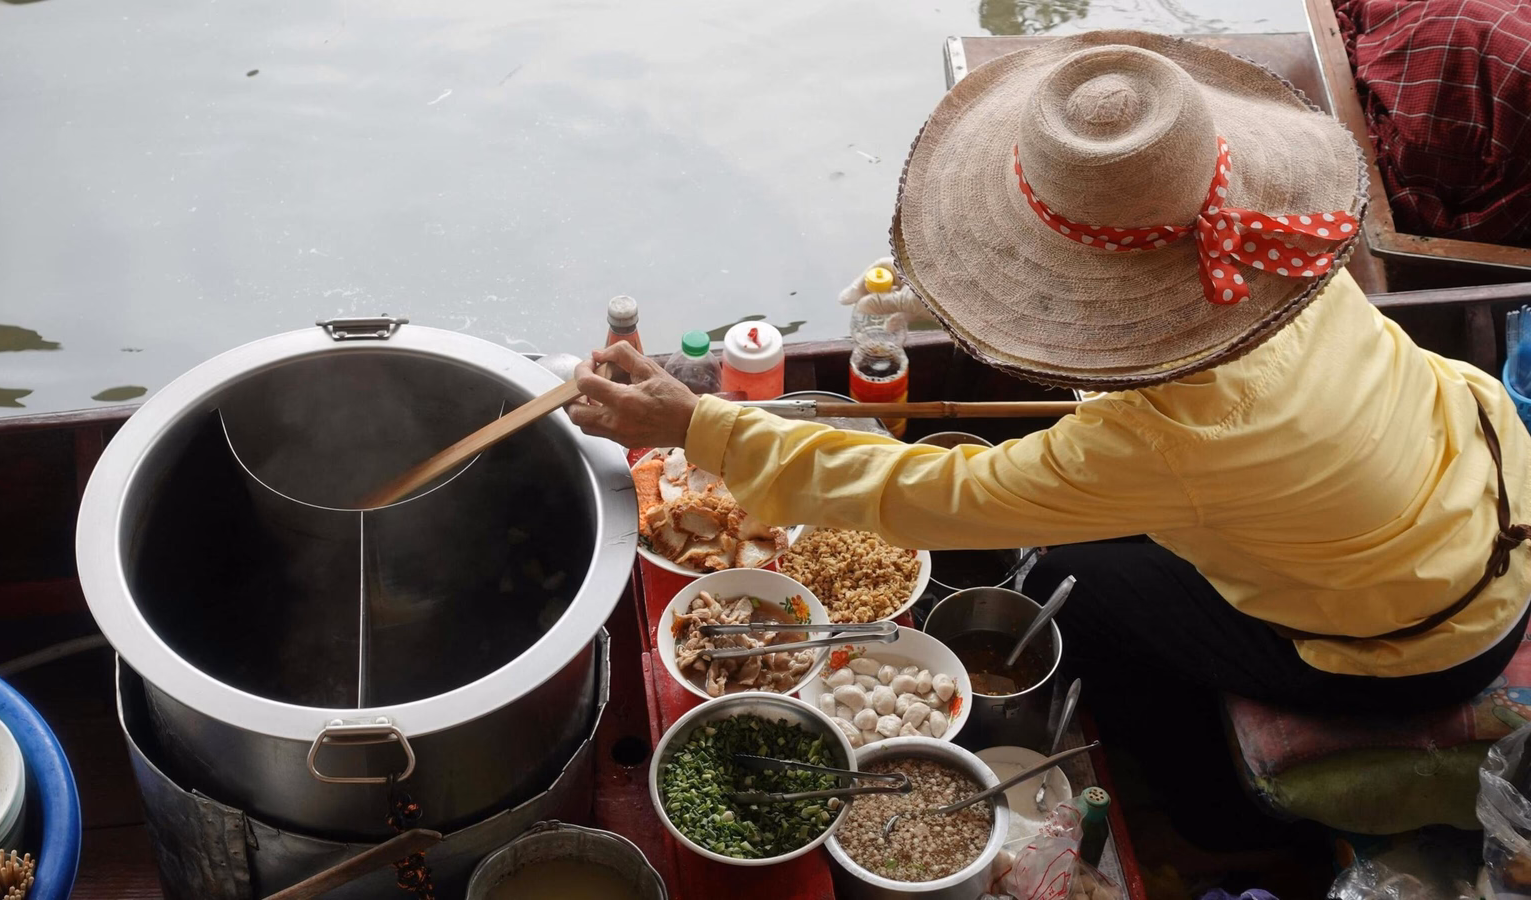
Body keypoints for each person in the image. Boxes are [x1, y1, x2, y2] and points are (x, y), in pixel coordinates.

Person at [569, 30, 1531, 845]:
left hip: (1417, 636)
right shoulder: (1275, 245)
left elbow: (935, 499)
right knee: (1098, 522)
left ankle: (1201, 815)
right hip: (1489, 497)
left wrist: (697, 423)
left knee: (1086, 586)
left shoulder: (1163, 447)